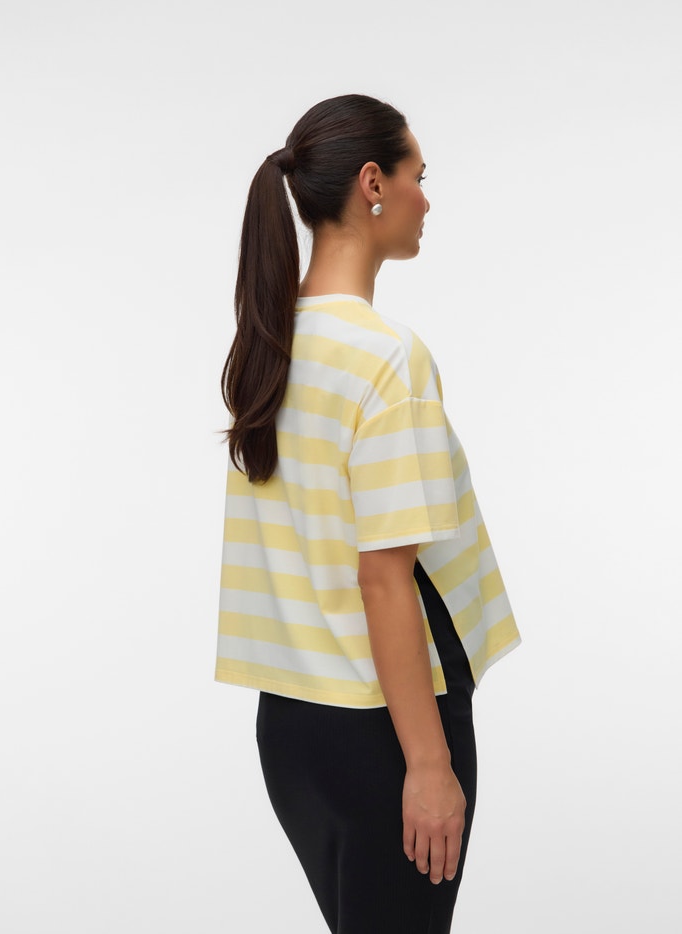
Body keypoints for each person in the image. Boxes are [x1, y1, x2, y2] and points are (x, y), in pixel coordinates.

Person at [216, 94, 521, 933]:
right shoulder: (387, 358)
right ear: (372, 184)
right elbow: (384, 578)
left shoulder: (271, 345)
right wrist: (428, 765)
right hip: (383, 728)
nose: (428, 197)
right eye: (420, 174)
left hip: (292, 729)